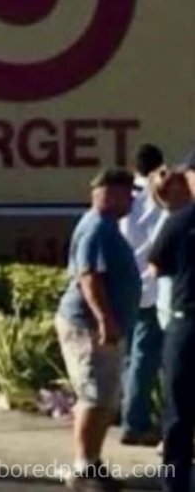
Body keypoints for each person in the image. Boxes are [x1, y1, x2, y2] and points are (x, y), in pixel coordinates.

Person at [55, 167, 142, 490]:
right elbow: (89, 278)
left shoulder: (106, 227)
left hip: (103, 326)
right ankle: (82, 468)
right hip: (87, 326)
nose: (132, 200)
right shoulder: (96, 229)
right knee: (93, 395)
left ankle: (93, 461)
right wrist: (105, 319)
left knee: (104, 396)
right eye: (128, 193)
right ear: (111, 193)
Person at [148, 153, 195, 492]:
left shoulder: (180, 220)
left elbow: (156, 265)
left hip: (187, 325)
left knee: (179, 412)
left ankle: (175, 484)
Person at [119, 144, 166, 445]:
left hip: (122, 287)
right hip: (149, 287)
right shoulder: (158, 198)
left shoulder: (124, 196)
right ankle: (135, 422)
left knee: (126, 357)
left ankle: (124, 411)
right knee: (144, 358)